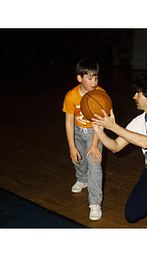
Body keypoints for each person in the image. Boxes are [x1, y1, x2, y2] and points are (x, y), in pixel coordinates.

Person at [91, 74, 147, 228]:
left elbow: (146, 141)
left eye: (138, 93)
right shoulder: (138, 121)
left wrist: (113, 126)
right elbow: (115, 147)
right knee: (132, 215)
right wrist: (100, 132)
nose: (134, 97)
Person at [62, 58, 104, 221]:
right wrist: (72, 146)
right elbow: (68, 122)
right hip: (77, 132)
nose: (94, 82)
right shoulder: (71, 96)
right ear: (79, 78)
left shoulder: (100, 95)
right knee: (77, 160)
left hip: (95, 132)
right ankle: (81, 179)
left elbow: (98, 124)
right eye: (90, 78)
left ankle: (95, 203)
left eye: (96, 77)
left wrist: (94, 145)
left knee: (94, 166)